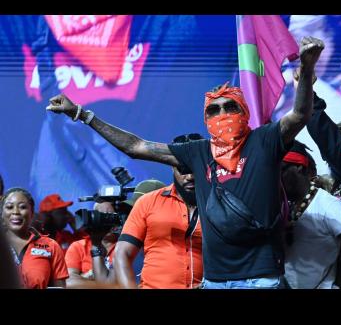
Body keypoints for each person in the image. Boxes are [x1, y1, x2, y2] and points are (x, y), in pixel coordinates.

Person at [46, 36, 324, 289]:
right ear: (206, 120)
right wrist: (82, 114)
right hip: (215, 281)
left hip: (261, 278)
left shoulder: (263, 141)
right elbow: (135, 146)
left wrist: (307, 66)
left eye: (230, 107)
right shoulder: (198, 151)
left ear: (244, 112)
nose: (222, 114)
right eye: (214, 110)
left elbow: (299, 114)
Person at [115, 134, 202, 289]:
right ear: (171, 165)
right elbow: (122, 254)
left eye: (194, 168)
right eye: (182, 168)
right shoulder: (147, 202)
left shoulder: (220, 204)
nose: (189, 176)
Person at [281, 141, 341, 288]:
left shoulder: (327, 205)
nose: (277, 177)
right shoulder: (285, 206)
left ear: (299, 168)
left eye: (281, 170)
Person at [1, 188, 68, 288]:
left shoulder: (51, 246)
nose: (15, 212)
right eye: (9, 207)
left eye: (22, 207)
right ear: (1, 214)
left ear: (32, 213)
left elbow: (60, 287)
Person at [65, 201, 119, 288]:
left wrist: (84, 278)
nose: (105, 221)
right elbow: (68, 282)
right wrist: (107, 285)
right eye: (101, 216)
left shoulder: (125, 246)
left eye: (109, 216)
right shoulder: (78, 247)